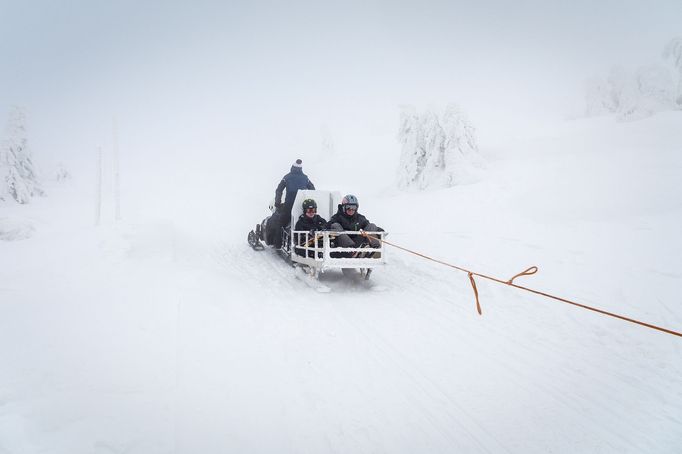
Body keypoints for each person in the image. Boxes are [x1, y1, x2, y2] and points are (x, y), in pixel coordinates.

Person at [268, 159, 315, 248]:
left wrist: (277, 203)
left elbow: (279, 190)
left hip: (289, 205)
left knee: (280, 222)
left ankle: (277, 245)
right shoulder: (305, 178)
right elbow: (313, 189)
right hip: (302, 206)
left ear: (292, 167)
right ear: (301, 169)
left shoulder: (287, 177)